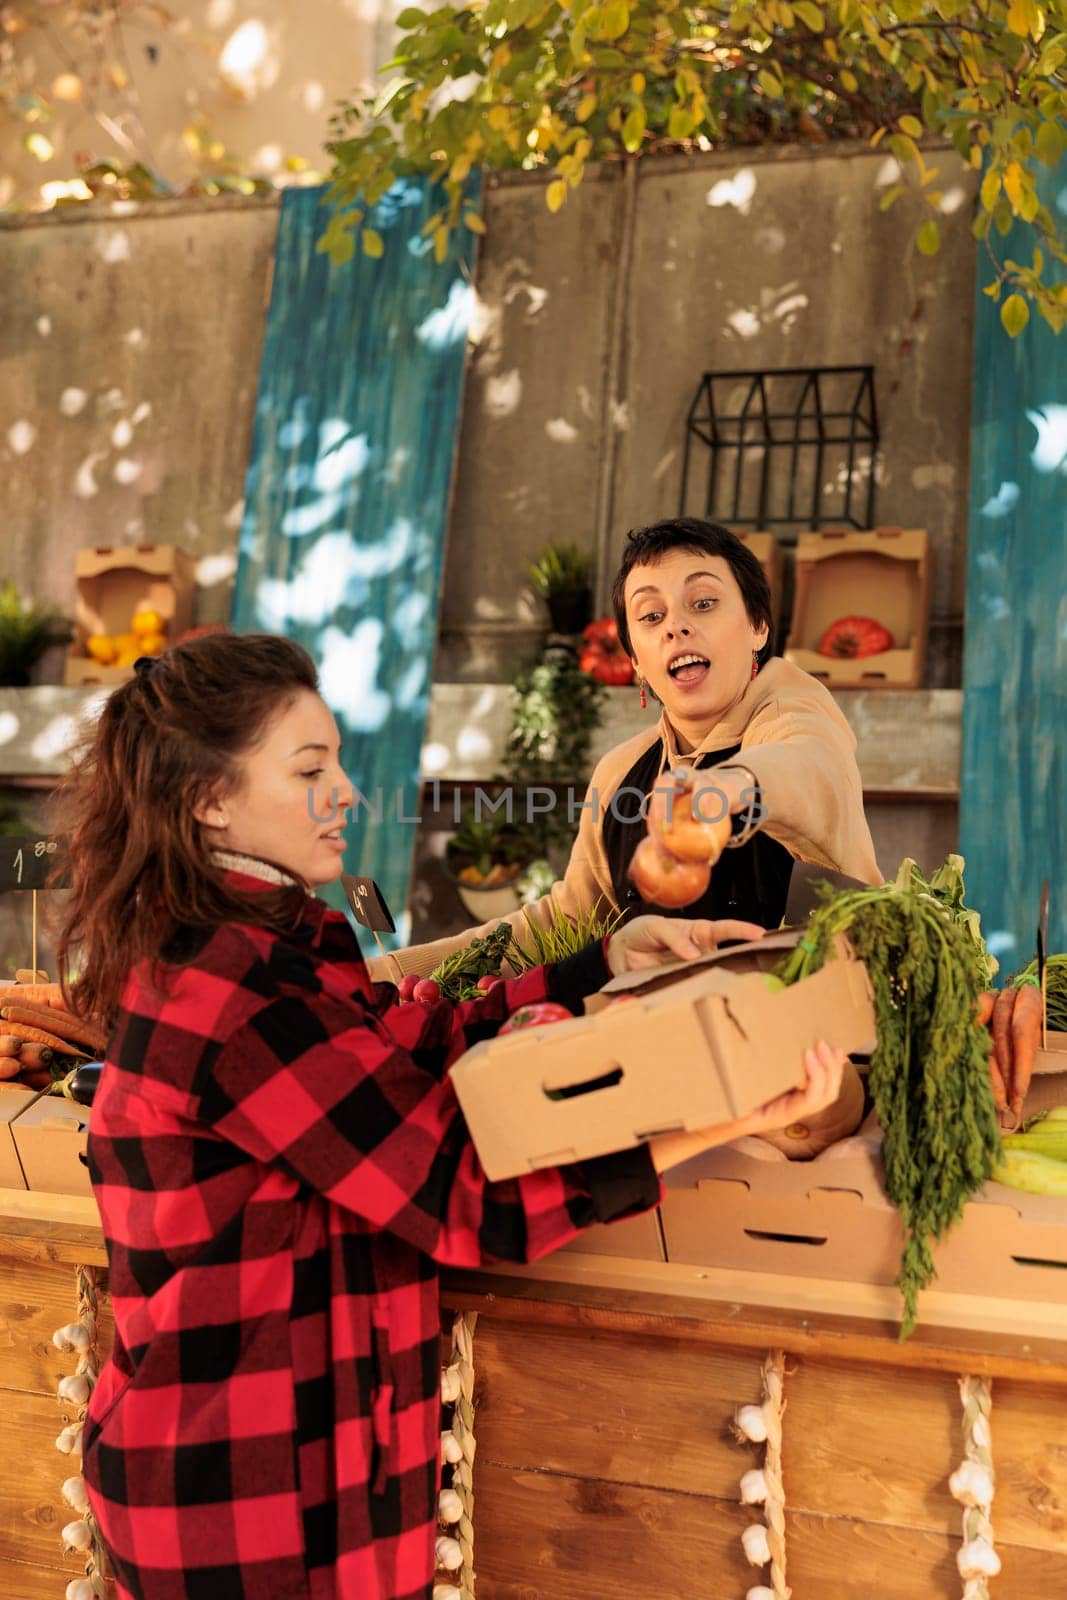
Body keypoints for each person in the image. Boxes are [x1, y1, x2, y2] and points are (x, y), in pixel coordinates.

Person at [53, 632, 846, 1600]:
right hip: (244, 1505)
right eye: (309, 768)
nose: (345, 790)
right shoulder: (229, 989)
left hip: (305, 1482)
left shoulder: (257, 949)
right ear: (208, 798)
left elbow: (404, 1043)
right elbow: (461, 1192)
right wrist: (724, 1115)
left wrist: (607, 962)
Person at [373, 516, 881, 984]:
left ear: (758, 627)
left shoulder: (792, 705)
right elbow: (567, 919)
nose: (675, 627)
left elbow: (808, 761)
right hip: (658, 1042)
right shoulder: (622, 770)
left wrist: (729, 785)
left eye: (703, 603)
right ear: (636, 660)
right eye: (651, 615)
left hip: (797, 1039)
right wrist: (396, 972)